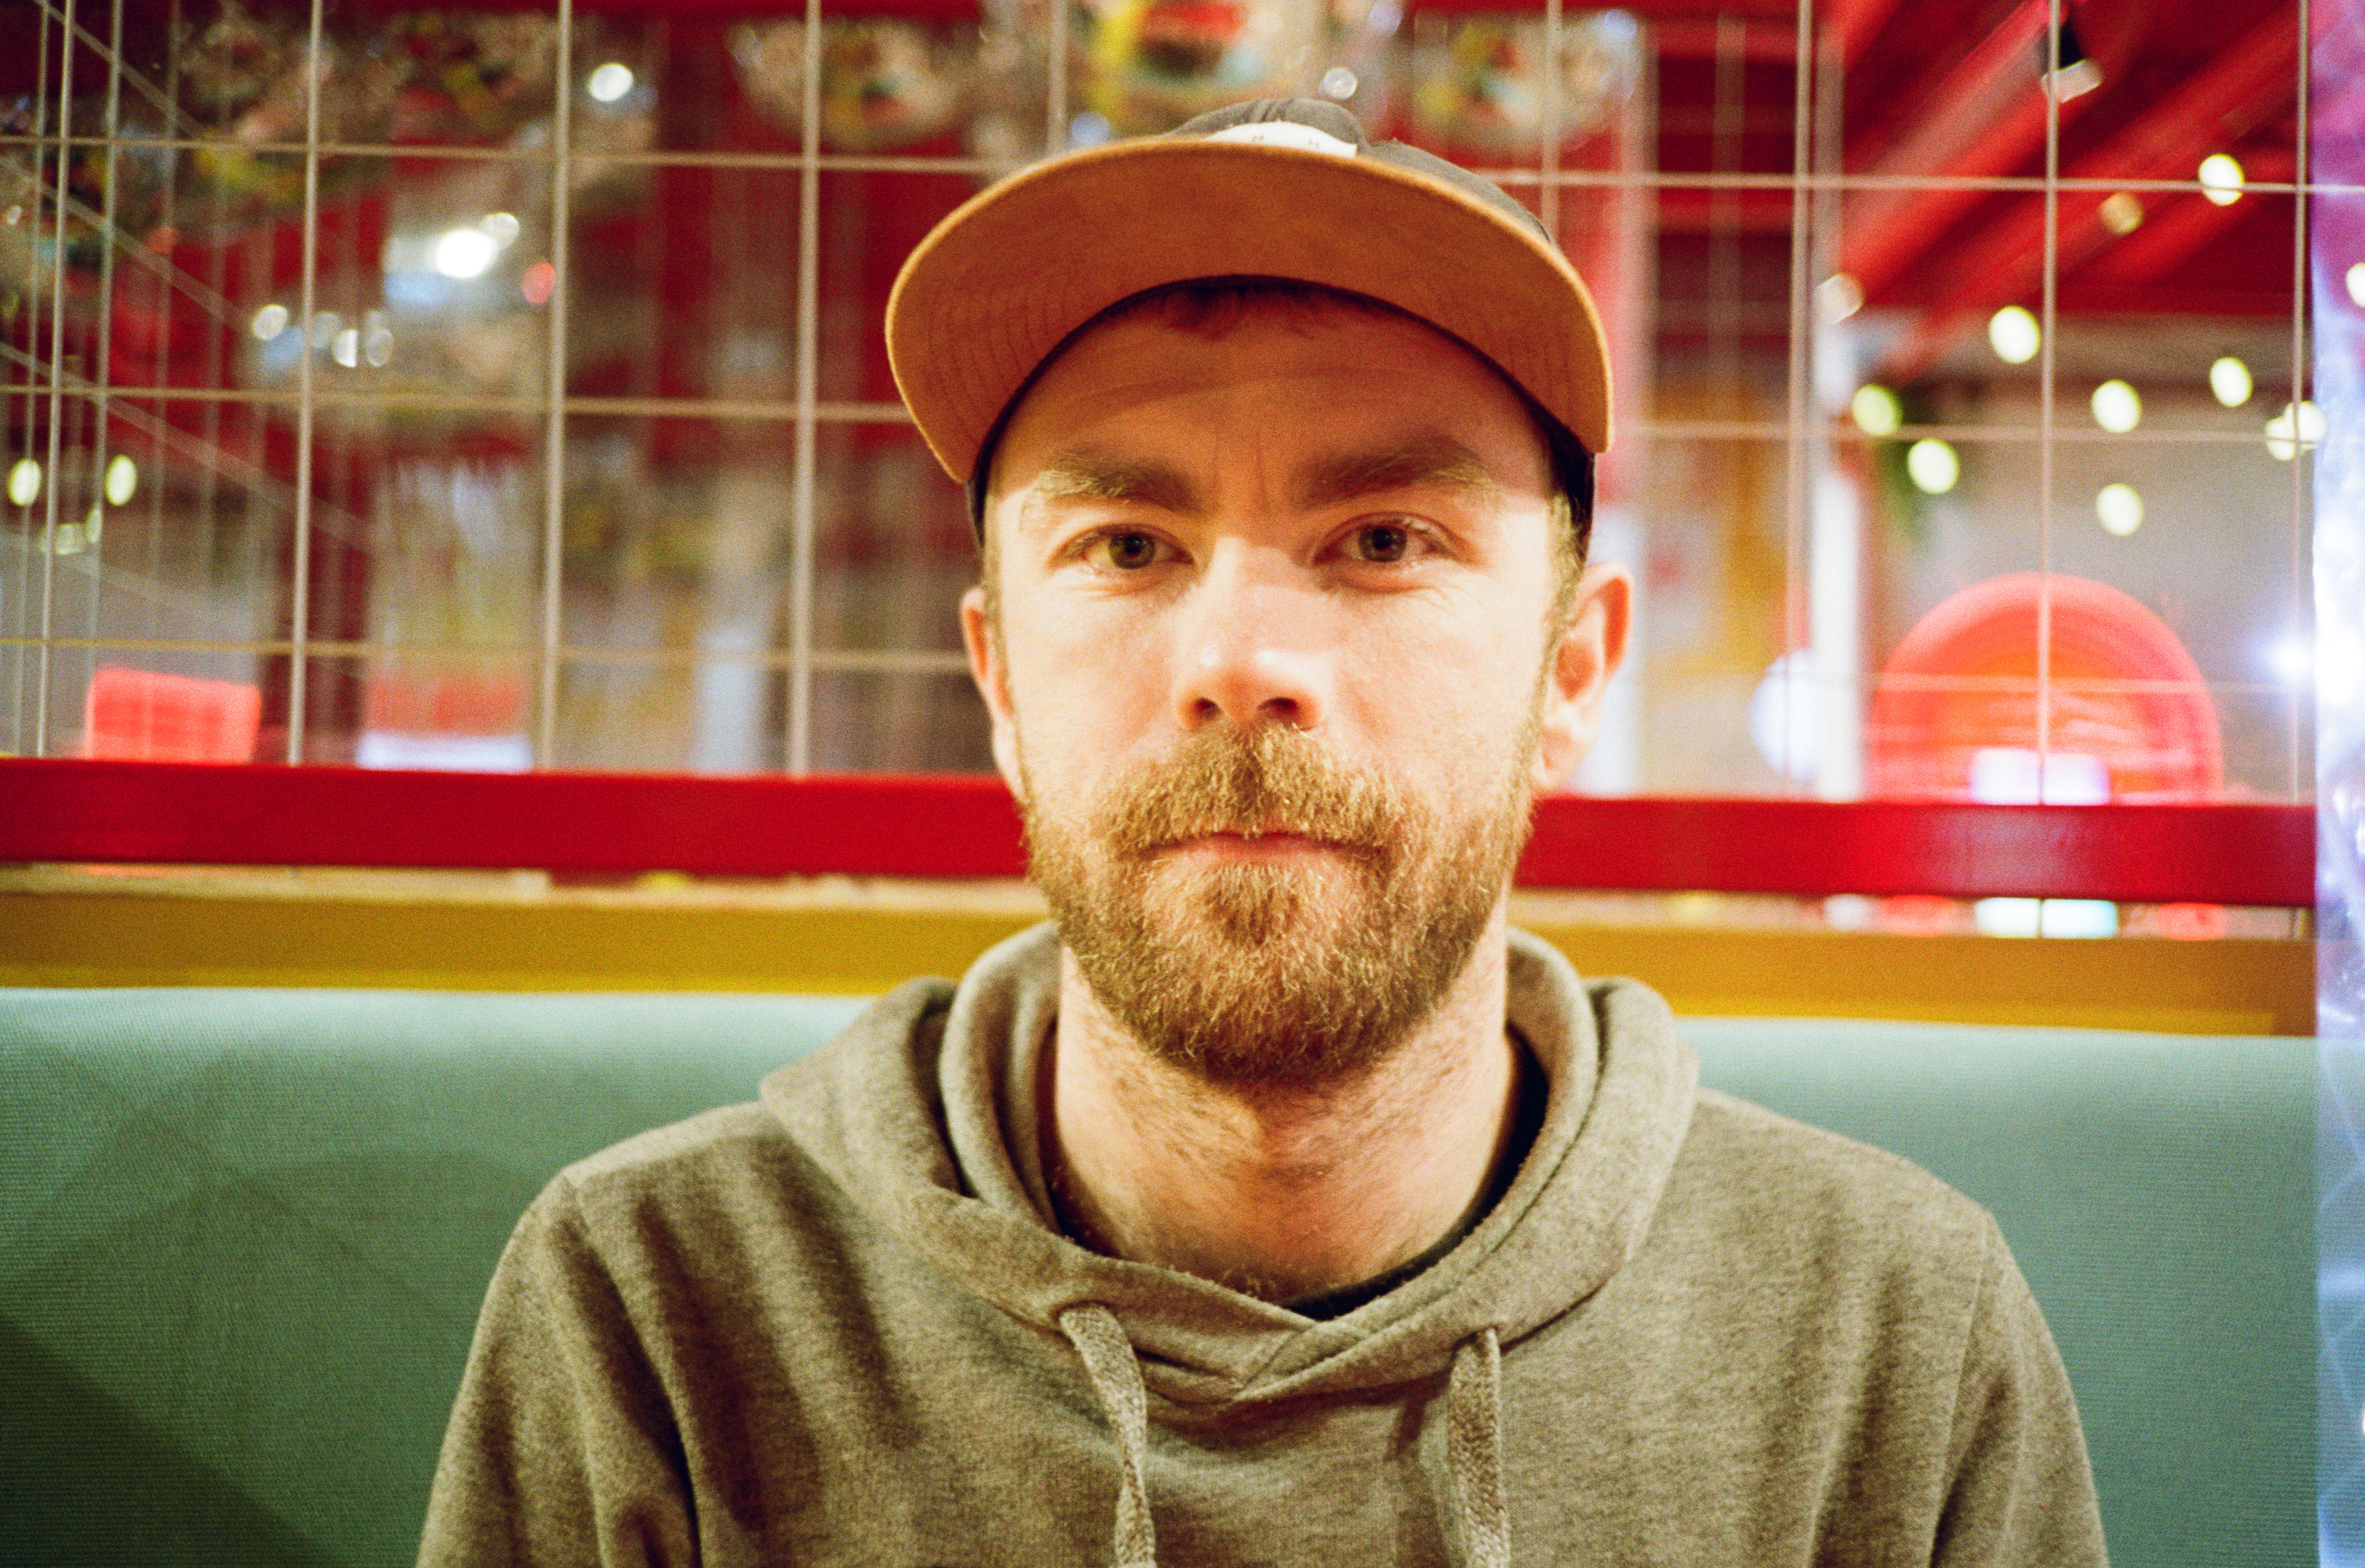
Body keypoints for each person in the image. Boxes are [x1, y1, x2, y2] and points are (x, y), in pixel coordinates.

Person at [419, 99, 2106, 1567]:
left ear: (1569, 670)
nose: (1237, 661)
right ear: (998, 676)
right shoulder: (660, 1306)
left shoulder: (1888, 1335)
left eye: (1382, 537)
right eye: (1126, 546)